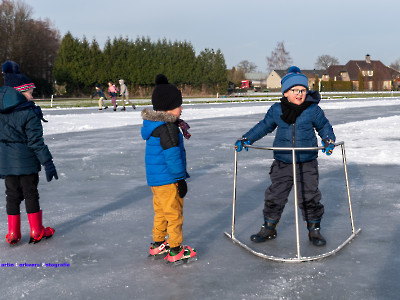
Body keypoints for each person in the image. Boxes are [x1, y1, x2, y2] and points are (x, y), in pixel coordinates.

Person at [235, 66, 336, 247]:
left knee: (309, 196)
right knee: (275, 195)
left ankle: (314, 230)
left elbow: (324, 127)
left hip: (307, 162)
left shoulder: (313, 110)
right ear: (285, 93)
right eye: (295, 90)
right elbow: (264, 126)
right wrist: (247, 138)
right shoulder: (276, 110)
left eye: (303, 90)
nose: (299, 94)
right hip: (283, 161)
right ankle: (269, 227)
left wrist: (328, 140)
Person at [0, 60, 58, 245]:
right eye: (30, 93)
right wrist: (48, 163)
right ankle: (36, 230)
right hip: (26, 163)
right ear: (19, 93)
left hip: (7, 164)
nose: (32, 97)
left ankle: (13, 233)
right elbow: (35, 142)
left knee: (12, 196)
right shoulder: (29, 113)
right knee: (30, 194)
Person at [141, 74, 196, 263]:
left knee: (161, 212)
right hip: (168, 179)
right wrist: (180, 179)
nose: (181, 109)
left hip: (156, 181)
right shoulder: (168, 128)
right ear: (168, 108)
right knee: (174, 214)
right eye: (179, 105)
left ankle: (158, 244)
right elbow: (172, 157)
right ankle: (175, 248)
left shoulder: (154, 125)